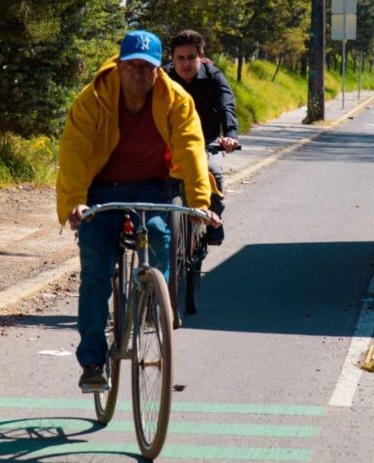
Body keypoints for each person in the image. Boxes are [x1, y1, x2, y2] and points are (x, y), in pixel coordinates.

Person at [57, 30, 221, 391]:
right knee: (97, 272)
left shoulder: (174, 99)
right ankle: (93, 362)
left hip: (151, 184)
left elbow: (192, 149)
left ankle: (149, 297)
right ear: (118, 65)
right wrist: (75, 202)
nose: (138, 74)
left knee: (162, 237)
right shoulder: (93, 98)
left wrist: (199, 205)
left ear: (157, 71)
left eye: (146, 68)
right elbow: (73, 152)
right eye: (131, 65)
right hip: (100, 188)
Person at [165, 29, 238, 244]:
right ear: (172, 58)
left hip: (208, 141)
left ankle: (213, 222)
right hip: (173, 142)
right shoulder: (164, 78)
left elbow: (227, 107)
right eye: (180, 58)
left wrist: (230, 135)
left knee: (213, 170)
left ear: (201, 56)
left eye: (191, 58)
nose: (185, 64)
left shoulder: (214, 77)